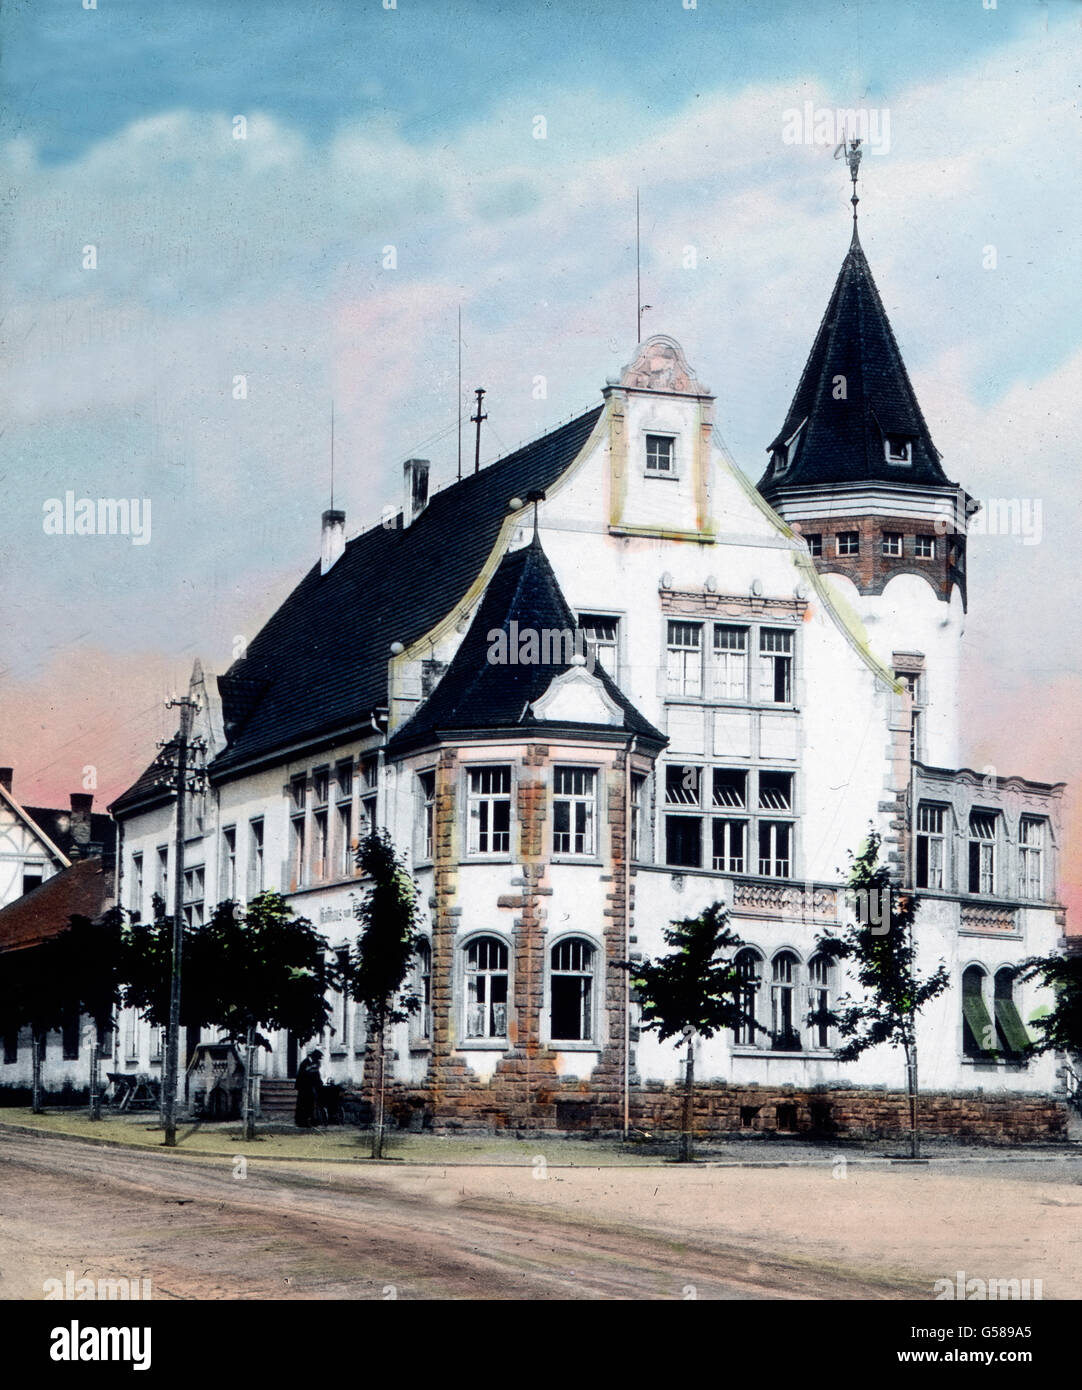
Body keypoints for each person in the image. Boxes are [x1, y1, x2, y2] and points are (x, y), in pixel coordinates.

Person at [294, 1049, 324, 1128]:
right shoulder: (305, 1063)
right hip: (303, 1086)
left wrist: (319, 1083)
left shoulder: (315, 1063)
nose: (318, 1060)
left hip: (310, 1087)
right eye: (317, 1058)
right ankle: (301, 1121)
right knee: (302, 1104)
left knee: (310, 1104)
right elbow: (302, 1075)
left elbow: (316, 1074)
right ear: (313, 1057)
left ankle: (310, 1120)